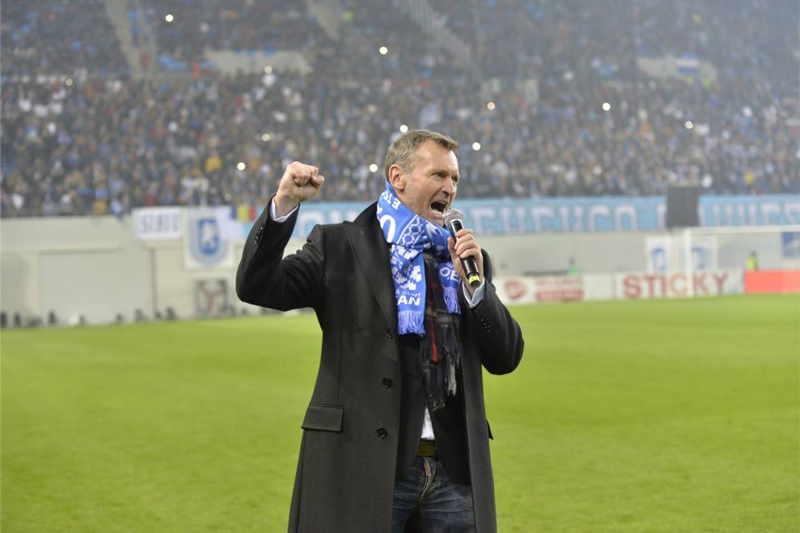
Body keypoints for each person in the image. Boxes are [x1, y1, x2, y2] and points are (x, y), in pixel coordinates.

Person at [236, 129, 524, 533]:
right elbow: (257, 286)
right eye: (439, 175)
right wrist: (283, 204)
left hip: (453, 473)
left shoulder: (462, 261)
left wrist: (476, 292)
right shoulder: (340, 246)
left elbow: (506, 356)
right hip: (368, 465)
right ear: (397, 177)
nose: (450, 188)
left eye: (455, 178)